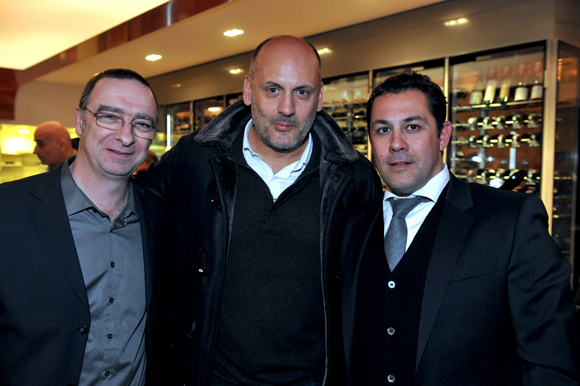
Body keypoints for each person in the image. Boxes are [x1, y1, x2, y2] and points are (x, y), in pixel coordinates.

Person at [144, 35, 381, 386]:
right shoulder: (194, 161)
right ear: (247, 90)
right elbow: (133, 220)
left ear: (320, 98)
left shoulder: (354, 179)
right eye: (273, 90)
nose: (287, 108)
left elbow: (370, 295)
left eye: (302, 92)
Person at [341, 72, 580, 385]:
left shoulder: (510, 220)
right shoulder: (354, 225)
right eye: (383, 129)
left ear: (443, 135)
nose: (396, 144)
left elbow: (551, 361)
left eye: (412, 127)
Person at [0, 69, 168, 386]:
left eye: (142, 124)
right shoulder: (9, 212)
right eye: (110, 117)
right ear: (80, 122)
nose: (127, 136)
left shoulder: (161, 219)